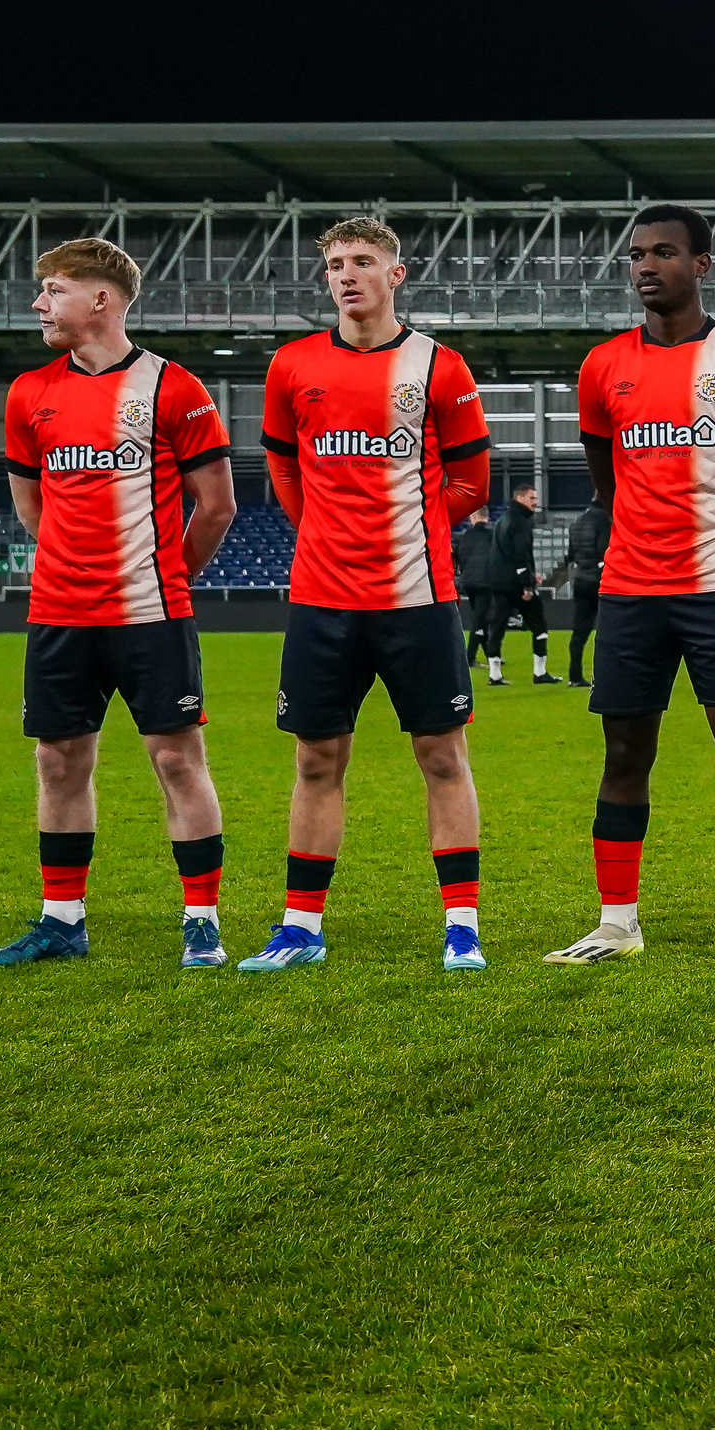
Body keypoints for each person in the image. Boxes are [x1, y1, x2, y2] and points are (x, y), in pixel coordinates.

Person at [548, 204, 715, 966]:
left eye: (663, 252)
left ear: (702, 265)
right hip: (630, 590)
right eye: (636, 255)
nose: (645, 266)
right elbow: (608, 481)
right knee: (624, 754)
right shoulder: (602, 367)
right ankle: (617, 924)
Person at [0, 238, 238, 970]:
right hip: (59, 613)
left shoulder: (175, 388)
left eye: (53, 290)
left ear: (102, 298)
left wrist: (161, 579)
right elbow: (31, 508)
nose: (39, 304)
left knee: (177, 762)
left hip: (151, 614)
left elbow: (215, 508)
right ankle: (62, 921)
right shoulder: (30, 392)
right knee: (58, 762)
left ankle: (201, 922)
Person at [245, 217, 492, 972]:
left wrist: (402, 532)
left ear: (396, 274)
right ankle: (300, 928)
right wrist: (322, 529)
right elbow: (283, 470)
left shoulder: (440, 368)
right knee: (318, 759)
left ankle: (462, 928)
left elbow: (472, 482)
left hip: (416, 596)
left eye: (361, 262)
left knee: (441, 755)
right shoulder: (292, 366)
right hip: (322, 597)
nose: (346, 276)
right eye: (334, 265)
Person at [484, 482, 556, 684]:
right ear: (520, 498)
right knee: (539, 624)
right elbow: (520, 554)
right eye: (532, 498)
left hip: (499, 582)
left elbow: (502, 553)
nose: (536, 502)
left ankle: (494, 674)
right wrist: (527, 584)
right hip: (516, 584)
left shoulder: (502, 520)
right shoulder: (521, 522)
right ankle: (540, 673)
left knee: (497, 627)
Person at [552, 496, 608, 686]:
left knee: (579, 632)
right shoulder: (604, 520)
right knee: (607, 632)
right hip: (600, 582)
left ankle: (574, 676)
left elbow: (571, 554)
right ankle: (604, 677)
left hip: (581, 580)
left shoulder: (577, 521)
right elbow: (603, 552)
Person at [457, 515, 505, 666]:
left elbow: (459, 557)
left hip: (468, 582)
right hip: (485, 581)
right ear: (487, 517)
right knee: (479, 619)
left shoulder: (465, 536)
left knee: (480, 616)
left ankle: (491, 653)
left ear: (473, 518)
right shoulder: (491, 535)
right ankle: (469, 658)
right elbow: (499, 558)